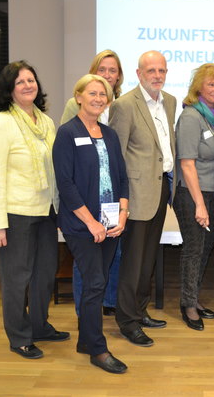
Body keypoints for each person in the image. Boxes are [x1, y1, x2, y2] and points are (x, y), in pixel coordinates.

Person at [0, 60, 68, 359]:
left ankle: (39, 325)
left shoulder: (45, 121)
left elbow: (55, 169)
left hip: (45, 211)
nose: (28, 85)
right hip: (15, 213)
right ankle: (19, 336)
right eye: (20, 82)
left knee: (45, 273)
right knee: (17, 277)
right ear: (10, 89)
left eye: (31, 80)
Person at [53, 74, 129, 374]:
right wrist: (90, 223)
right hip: (81, 223)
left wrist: (123, 213)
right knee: (95, 282)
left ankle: (85, 340)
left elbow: (122, 177)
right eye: (93, 93)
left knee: (99, 281)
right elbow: (66, 184)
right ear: (79, 96)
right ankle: (97, 349)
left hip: (111, 219)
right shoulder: (67, 133)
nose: (99, 98)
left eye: (104, 95)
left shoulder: (109, 134)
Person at [109, 51, 176, 347]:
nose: (157, 75)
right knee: (133, 262)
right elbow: (116, 155)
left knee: (148, 258)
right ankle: (127, 321)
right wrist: (121, 201)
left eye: (161, 70)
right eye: (151, 70)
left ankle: (140, 310)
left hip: (161, 190)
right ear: (138, 73)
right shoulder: (124, 105)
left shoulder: (170, 102)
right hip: (135, 195)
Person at [60, 49, 125, 318]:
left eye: (113, 70)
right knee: (87, 266)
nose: (108, 75)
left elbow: (118, 165)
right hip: (84, 203)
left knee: (111, 257)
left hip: (110, 202)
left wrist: (124, 209)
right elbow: (67, 163)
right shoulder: (70, 121)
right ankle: (85, 312)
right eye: (103, 69)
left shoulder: (119, 107)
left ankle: (105, 303)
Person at [174, 63, 214, 331]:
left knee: (206, 249)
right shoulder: (190, 117)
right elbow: (187, 164)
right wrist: (199, 204)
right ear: (199, 86)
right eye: (211, 84)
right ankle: (187, 305)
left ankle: (194, 299)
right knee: (194, 249)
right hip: (192, 194)